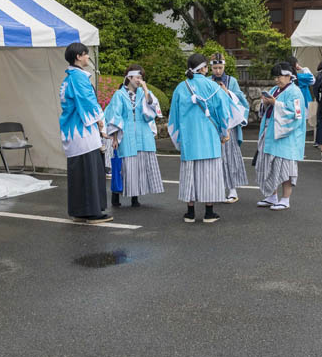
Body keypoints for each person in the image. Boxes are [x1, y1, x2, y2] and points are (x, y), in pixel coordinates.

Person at [169, 53, 232, 223]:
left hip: (189, 140)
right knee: (209, 176)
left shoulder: (181, 88)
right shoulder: (213, 86)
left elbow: (173, 118)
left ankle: (190, 212)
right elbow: (223, 112)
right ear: (204, 68)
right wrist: (224, 132)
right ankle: (209, 213)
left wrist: (178, 140)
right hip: (209, 139)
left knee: (190, 175)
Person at [60, 42, 113, 224]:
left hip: (74, 130)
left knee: (79, 173)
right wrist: (100, 122)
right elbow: (89, 102)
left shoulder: (70, 77)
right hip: (81, 130)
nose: (88, 57)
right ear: (78, 56)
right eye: (85, 54)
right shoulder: (78, 77)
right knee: (90, 171)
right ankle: (91, 211)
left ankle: (80, 210)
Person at [104, 66, 164, 208]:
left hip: (143, 133)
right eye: (137, 77)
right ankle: (116, 194)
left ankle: (135, 197)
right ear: (129, 77)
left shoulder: (144, 94)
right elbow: (114, 115)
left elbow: (152, 109)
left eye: (141, 78)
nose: (139, 80)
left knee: (140, 165)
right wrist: (114, 137)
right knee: (125, 165)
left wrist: (145, 90)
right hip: (126, 133)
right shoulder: (119, 94)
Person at [256, 62, 307, 210]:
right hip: (271, 133)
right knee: (270, 167)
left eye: (279, 76)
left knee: (285, 169)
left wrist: (275, 103)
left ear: (288, 76)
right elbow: (266, 110)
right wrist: (265, 103)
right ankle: (272, 196)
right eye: (276, 77)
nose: (277, 80)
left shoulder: (295, 92)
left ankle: (285, 199)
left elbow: (296, 115)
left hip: (286, 137)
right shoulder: (275, 89)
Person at [210, 55, 250, 203]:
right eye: (215, 68)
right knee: (214, 157)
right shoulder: (208, 81)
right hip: (213, 125)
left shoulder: (231, 81)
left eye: (220, 68)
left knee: (230, 156)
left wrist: (228, 93)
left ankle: (232, 189)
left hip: (229, 125)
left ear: (224, 67)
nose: (218, 71)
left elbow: (241, 101)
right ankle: (217, 189)